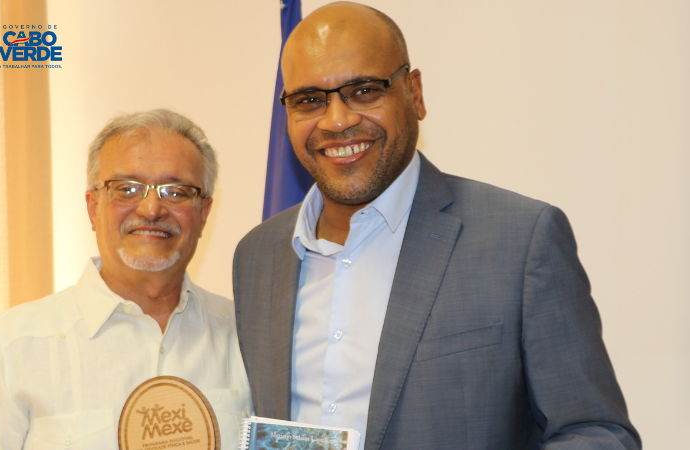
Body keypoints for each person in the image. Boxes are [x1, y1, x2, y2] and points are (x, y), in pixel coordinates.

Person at [233, 2, 640, 449]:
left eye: (364, 90)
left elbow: (597, 435)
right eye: (310, 100)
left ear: (415, 93)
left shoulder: (521, 241)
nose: (337, 120)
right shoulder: (257, 256)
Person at [0, 109, 253, 450]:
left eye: (176, 192)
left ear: (203, 213)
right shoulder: (10, 347)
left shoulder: (249, 340)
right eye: (127, 189)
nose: (151, 209)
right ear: (93, 207)